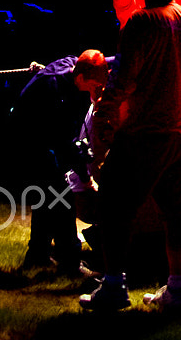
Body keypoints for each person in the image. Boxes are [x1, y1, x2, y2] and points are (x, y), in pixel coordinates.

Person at [81, 0, 181, 315]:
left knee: (114, 209)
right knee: (178, 216)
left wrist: (104, 121)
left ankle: (113, 286)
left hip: (145, 133)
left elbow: (122, 81)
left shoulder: (140, 23)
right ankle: (178, 291)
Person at [12, 49, 110, 275]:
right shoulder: (54, 88)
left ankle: (37, 256)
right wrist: (86, 180)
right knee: (60, 196)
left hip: (41, 137)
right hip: (26, 140)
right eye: (95, 85)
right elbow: (62, 143)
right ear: (81, 79)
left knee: (45, 198)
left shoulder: (76, 66)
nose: (97, 90)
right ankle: (72, 261)